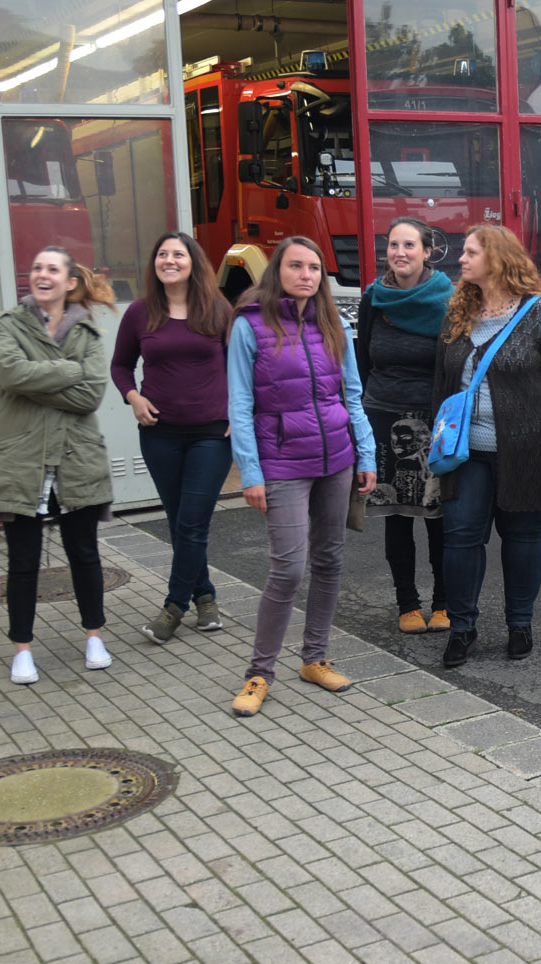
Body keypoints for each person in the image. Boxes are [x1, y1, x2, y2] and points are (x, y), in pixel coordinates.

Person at [226, 236, 376, 717]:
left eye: (313, 267)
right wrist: (250, 472)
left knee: (329, 560)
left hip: (337, 458)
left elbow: (352, 394)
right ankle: (259, 673)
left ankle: (314, 658)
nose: (306, 275)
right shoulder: (250, 325)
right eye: (296, 266)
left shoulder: (334, 322)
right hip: (283, 462)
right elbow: (240, 404)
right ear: (278, 271)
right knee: (288, 569)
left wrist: (367, 454)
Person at [433, 224, 541, 668]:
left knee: (523, 536)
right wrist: (436, 440)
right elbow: (440, 381)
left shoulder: (539, 313)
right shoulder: (458, 313)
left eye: (471, 252)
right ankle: (462, 628)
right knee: (460, 538)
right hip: (465, 453)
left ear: (497, 259)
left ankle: (520, 624)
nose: (461, 259)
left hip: (529, 449)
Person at [0, 247, 118, 685]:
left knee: (85, 554)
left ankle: (94, 638)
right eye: (37, 268)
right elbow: (10, 374)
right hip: (21, 459)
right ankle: (22, 650)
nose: (42, 274)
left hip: (76, 458)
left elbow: (90, 396)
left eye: (52, 269)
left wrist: (35, 377)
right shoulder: (3, 325)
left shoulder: (88, 333)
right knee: (23, 561)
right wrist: (69, 371)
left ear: (69, 282)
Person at [111, 231, 234, 644]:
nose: (169, 260)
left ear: (193, 262)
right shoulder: (140, 312)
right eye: (162, 254)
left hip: (212, 434)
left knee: (193, 522)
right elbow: (120, 365)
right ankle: (206, 598)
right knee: (181, 522)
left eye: (178, 254)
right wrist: (133, 398)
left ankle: (174, 607)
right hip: (159, 433)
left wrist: (240, 411)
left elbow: (242, 365)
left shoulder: (218, 309)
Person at [356, 218, 455, 634]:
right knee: (395, 516)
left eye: (409, 245)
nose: (400, 252)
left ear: (427, 252)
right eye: (394, 245)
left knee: (438, 516)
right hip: (383, 416)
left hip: (434, 421)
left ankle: (445, 602)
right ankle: (408, 604)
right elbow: (362, 359)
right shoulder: (373, 298)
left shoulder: (449, 299)